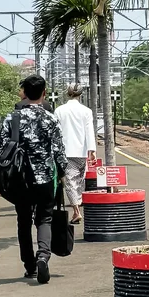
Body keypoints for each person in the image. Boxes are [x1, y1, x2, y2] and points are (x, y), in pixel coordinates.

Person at [0, 72, 67, 283]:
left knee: (23, 221)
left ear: (24, 93)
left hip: (19, 180)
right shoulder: (51, 118)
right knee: (44, 218)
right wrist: (61, 174)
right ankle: (43, 256)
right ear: (44, 93)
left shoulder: (11, 118)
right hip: (44, 179)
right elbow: (59, 153)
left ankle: (30, 266)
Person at [54, 84, 97, 226]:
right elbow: (89, 131)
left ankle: (76, 210)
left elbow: (57, 132)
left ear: (68, 94)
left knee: (70, 181)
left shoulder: (59, 110)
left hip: (65, 151)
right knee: (79, 179)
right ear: (80, 94)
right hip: (82, 151)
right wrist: (92, 150)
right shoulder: (86, 111)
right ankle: (77, 206)